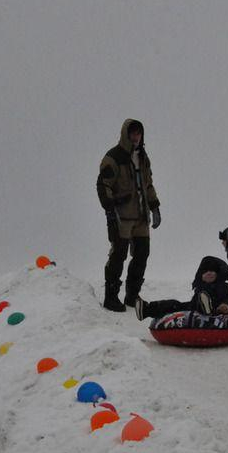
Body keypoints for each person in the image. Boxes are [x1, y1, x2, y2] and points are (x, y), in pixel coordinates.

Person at [96, 119, 161, 312]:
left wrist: (155, 207)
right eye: (132, 133)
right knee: (118, 255)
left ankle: (132, 295)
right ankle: (111, 296)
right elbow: (103, 185)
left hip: (141, 217)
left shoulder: (143, 157)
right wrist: (109, 211)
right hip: (121, 216)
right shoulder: (114, 157)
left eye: (138, 134)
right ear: (126, 134)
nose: (136, 137)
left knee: (142, 254)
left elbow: (148, 185)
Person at [135, 256, 228, 320]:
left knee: (202, 302)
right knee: (174, 305)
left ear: (218, 274)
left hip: (217, 309)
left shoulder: (223, 286)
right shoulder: (200, 286)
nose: (209, 273)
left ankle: (207, 308)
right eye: (205, 271)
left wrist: (226, 306)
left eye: (212, 271)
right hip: (194, 307)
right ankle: (146, 309)